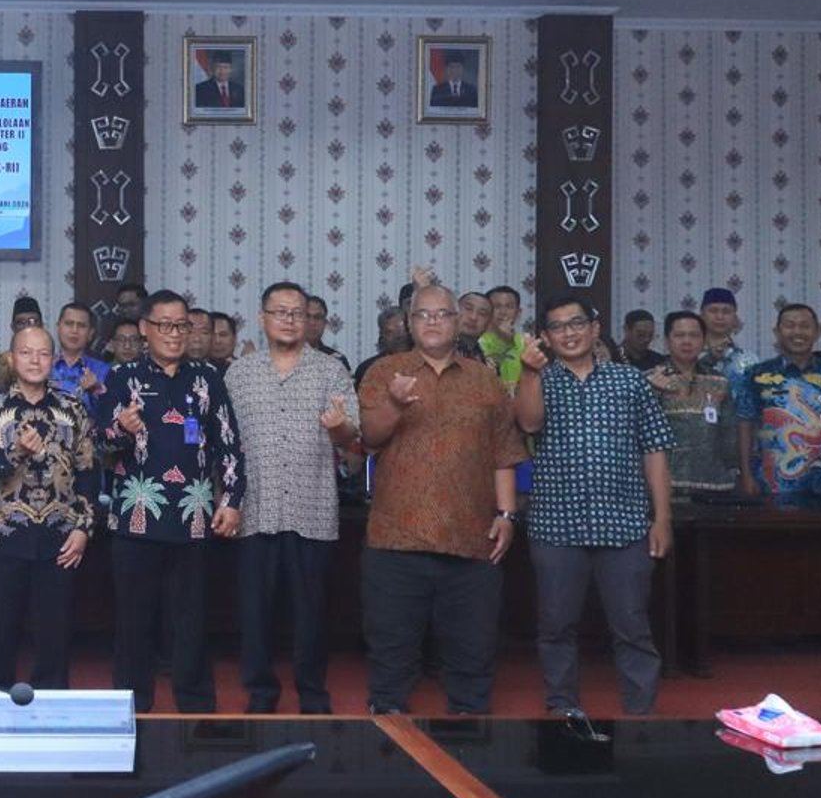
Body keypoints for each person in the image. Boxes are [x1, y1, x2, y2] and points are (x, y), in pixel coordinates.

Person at [356, 285, 526, 715]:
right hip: (396, 535)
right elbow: (368, 439)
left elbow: (503, 451)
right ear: (409, 324)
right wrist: (395, 404)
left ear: (459, 322)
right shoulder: (384, 372)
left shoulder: (484, 379)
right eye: (422, 315)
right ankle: (388, 725)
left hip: (471, 537)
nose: (432, 322)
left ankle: (470, 731)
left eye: (442, 314)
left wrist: (506, 514)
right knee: (391, 647)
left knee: (473, 647)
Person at [515, 295, 674, 716]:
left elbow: (654, 449)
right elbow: (528, 424)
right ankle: (563, 711)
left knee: (632, 627)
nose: (569, 332)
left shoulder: (630, 381)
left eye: (576, 323)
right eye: (558, 326)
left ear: (595, 328)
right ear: (546, 337)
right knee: (555, 627)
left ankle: (641, 716)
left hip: (625, 526)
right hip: (556, 527)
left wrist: (662, 518)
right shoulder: (539, 379)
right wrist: (530, 373)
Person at [100, 290, 245, 712]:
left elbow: (229, 444)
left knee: (192, 622)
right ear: (144, 329)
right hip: (135, 521)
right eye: (164, 324)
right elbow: (99, 445)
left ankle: (197, 710)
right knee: (132, 623)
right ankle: (130, 707)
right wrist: (121, 429)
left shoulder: (207, 378)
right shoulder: (122, 377)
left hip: (194, 519)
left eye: (181, 325)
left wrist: (232, 500)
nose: (174, 333)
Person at [227, 283, 360, 715]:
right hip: (254, 511)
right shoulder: (238, 374)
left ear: (310, 321)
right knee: (255, 612)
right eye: (280, 312)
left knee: (311, 613)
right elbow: (222, 444)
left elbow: (353, 440)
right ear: (262, 318)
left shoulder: (331, 371)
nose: (288, 319)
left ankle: (312, 693)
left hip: (313, 510)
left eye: (297, 313)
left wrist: (339, 427)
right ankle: (261, 693)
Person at [0, 324, 97, 688]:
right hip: (3, 537)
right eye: (26, 352)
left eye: (42, 353)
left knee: (54, 639)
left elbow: (89, 471)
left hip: (59, 542)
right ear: (11, 358)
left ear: (54, 360)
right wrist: (17, 452)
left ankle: (53, 718)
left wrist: (83, 528)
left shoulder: (71, 407)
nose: (34, 360)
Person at [734, 303, 821, 505]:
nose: (797, 331)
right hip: (776, 485)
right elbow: (745, 424)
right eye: (790, 325)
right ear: (777, 331)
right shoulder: (756, 374)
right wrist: (746, 474)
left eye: (805, 325)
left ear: (817, 332)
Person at [645, 310, 738, 493]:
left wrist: (734, 468)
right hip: (665, 487)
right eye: (679, 335)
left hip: (715, 485)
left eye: (694, 335)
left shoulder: (720, 381)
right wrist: (652, 392)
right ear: (666, 341)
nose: (687, 341)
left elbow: (729, 433)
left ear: (703, 341)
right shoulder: (648, 380)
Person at [696, 287, 758, 395]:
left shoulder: (750, 360)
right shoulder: (690, 355)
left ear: (735, 318)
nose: (720, 317)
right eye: (713, 311)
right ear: (701, 316)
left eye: (726, 311)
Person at [50, 302, 110, 405]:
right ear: (58, 328)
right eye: (69, 323)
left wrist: (97, 390)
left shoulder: (104, 370)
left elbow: (112, 412)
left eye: (81, 326)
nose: (74, 330)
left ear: (90, 333)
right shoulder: (43, 366)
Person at [479, 286, 528, 391]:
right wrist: (504, 341)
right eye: (497, 306)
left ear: (518, 313)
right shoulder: (477, 342)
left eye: (509, 306)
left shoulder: (527, 342)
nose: (503, 312)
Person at [352, 306, 410, 389]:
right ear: (382, 336)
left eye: (402, 330)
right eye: (390, 332)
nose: (399, 336)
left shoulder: (425, 364)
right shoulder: (367, 369)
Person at [303, 295, 352, 372]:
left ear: (325, 323)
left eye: (317, 317)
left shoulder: (337, 360)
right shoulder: (284, 357)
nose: (312, 323)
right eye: (307, 316)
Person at [456, 292, 494, 364]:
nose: (473, 317)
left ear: (489, 324)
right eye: (468, 309)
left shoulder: (488, 361)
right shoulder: (437, 349)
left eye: (482, 313)